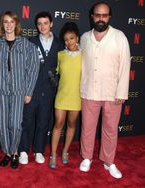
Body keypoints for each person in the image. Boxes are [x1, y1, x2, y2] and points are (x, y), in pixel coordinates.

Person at [79, 2, 131, 179]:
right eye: (97, 15)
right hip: (88, 92)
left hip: (112, 93)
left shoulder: (120, 37)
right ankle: (87, 157)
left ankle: (109, 161)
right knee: (87, 128)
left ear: (109, 17)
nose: (100, 18)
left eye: (104, 15)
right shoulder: (84, 37)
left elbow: (125, 65)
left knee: (110, 129)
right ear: (92, 16)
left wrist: (122, 92)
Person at [0, 11, 40, 169]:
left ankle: (15, 151)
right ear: (2, 24)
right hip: (1, 91)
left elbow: (33, 69)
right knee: (2, 125)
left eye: (12, 22)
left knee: (16, 125)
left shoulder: (26, 44)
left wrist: (29, 91)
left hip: (19, 91)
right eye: (6, 22)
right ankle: (8, 153)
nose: (9, 25)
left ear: (16, 24)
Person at [19, 11, 63, 165]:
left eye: (45, 23)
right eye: (39, 24)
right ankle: (23, 150)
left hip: (49, 91)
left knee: (44, 122)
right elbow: (23, 68)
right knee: (26, 121)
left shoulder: (60, 44)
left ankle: (38, 151)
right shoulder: (30, 42)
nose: (42, 26)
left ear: (51, 24)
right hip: (31, 90)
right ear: (36, 26)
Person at [49, 22, 81, 168]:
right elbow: (54, 74)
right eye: (66, 39)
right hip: (62, 96)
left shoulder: (85, 56)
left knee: (71, 124)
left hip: (77, 97)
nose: (69, 42)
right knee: (58, 124)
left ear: (77, 38)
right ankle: (53, 154)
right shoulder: (60, 55)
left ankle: (65, 152)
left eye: (72, 38)